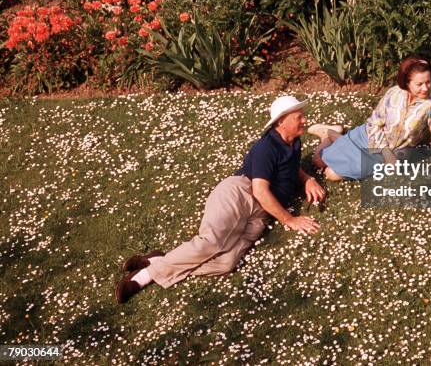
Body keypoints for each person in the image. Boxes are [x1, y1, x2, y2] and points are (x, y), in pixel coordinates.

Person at [115, 95, 326, 304]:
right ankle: (144, 277)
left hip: (262, 213)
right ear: (281, 121)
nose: (304, 121)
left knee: (226, 263)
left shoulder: (293, 142)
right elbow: (260, 191)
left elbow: (289, 167)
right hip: (241, 193)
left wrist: (306, 179)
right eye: (299, 117)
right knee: (212, 242)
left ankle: (157, 260)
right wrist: (290, 220)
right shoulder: (266, 147)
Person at [310, 57, 431, 181]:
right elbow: (374, 123)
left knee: (331, 174)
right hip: (369, 137)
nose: (425, 88)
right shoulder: (394, 93)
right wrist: (385, 152)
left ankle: (332, 134)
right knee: (317, 161)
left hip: (394, 153)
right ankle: (327, 134)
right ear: (407, 82)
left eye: (428, 82)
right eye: (419, 84)